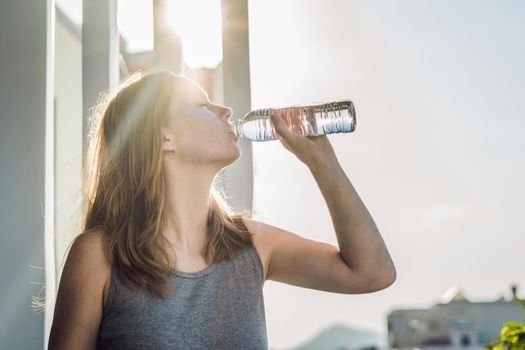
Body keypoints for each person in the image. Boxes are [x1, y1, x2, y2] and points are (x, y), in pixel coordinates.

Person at [47, 70, 396, 350]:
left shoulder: (252, 245)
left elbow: (372, 273)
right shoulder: (99, 255)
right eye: (202, 105)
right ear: (163, 137)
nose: (226, 111)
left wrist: (324, 164)